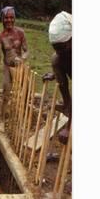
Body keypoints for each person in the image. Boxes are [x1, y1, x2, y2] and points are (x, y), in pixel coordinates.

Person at [0, 6, 29, 119]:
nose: (9, 20)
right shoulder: (0, 36)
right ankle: (2, 114)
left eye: (12, 17)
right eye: (6, 18)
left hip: (19, 66)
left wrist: (22, 59)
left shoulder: (20, 33)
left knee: (25, 90)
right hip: (7, 66)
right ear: (2, 19)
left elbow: (26, 51)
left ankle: (25, 113)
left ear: (14, 18)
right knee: (6, 91)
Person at [42, 11, 72, 144]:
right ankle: (68, 105)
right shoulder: (63, 54)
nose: (59, 52)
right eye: (56, 48)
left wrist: (69, 127)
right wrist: (56, 74)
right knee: (56, 60)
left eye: (62, 48)